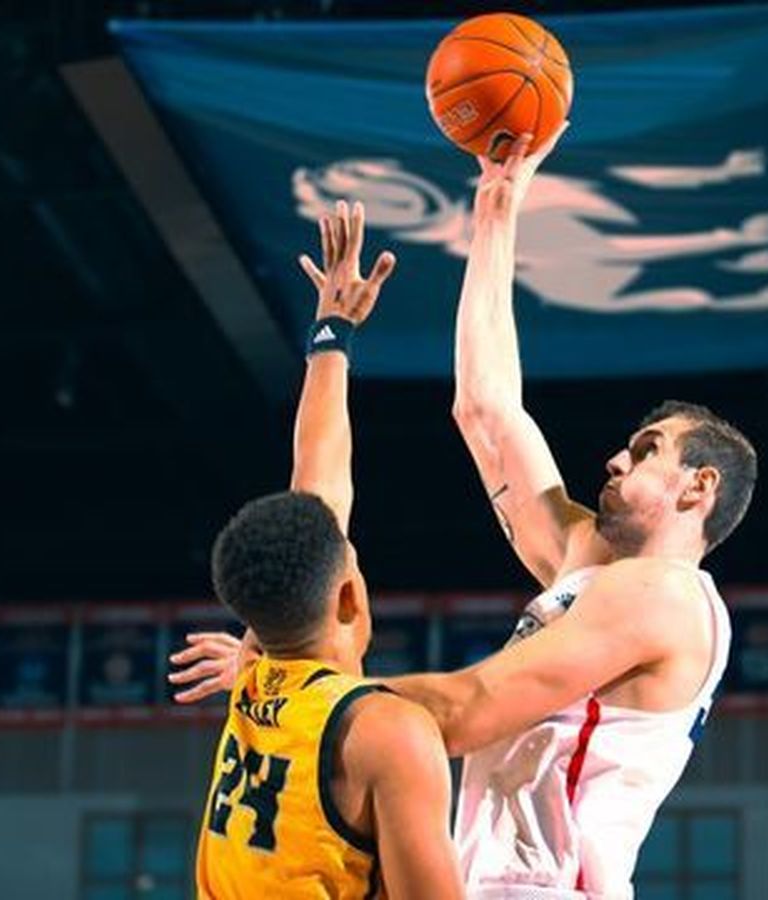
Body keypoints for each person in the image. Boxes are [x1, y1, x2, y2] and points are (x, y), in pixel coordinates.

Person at [175, 129, 758, 900]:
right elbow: (485, 408)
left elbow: (467, 709)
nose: (616, 460)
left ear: (698, 487)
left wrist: (288, 682)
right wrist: (497, 203)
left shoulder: (667, 595)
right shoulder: (591, 564)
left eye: (647, 451)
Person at [188, 200, 462, 900]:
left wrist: (332, 334)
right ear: (347, 597)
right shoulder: (387, 733)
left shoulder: (254, 674)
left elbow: (318, 482)